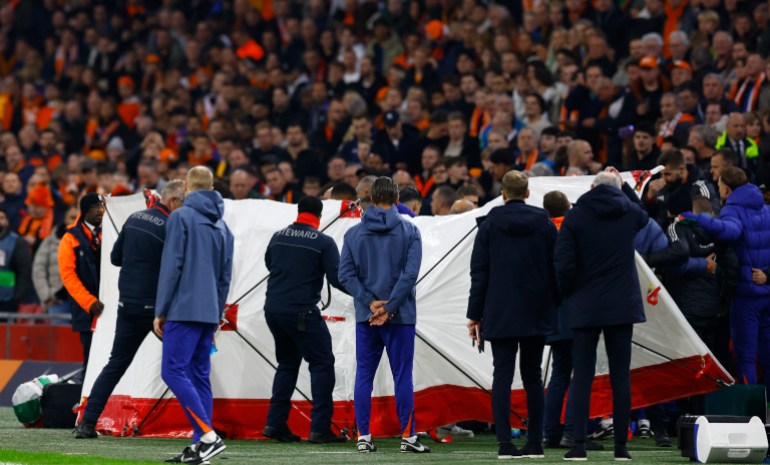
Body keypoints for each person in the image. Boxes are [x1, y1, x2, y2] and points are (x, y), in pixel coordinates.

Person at [74, 180, 185, 440]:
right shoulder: (172, 226)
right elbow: (176, 268)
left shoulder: (134, 218)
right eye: (183, 202)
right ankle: (202, 427)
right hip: (158, 310)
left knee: (115, 364)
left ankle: (87, 423)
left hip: (128, 305)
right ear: (172, 201)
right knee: (185, 364)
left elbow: (115, 258)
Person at [554, 172, 649, 461]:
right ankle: (621, 447)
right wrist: (625, 188)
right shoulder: (628, 212)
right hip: (622, 305)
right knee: (621, 376)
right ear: (618, 190)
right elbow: (644, 215)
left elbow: (564, 263)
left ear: (591, 187)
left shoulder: (576, 216)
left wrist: (569, 294)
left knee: (581, 376)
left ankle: (579, 444)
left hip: (586, 305)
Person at [466, 170, 557, 459]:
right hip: (535, 308)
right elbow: (556, 267)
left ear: (502, 194)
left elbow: (479, 274)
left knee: (502, 375)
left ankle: (505, 442)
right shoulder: (544, 222)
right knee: (533, 375)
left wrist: (475, 315)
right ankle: (535, 442)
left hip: (499, 309)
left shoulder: (489, 224)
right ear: (528, 192)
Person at [338, 176, 430, 454]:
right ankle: (408, 437)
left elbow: (345, 275)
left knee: (363, 375)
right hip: (400, 316)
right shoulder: (410, 231)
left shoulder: (353, 234)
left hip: (367, 316)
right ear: (397, 200)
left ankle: (363, 436)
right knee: (403, 376)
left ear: (370, 198)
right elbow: (410, 275)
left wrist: (370, 304)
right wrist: (389, 308)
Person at [154, 167, 234, 464]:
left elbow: (172, 265)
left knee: (172, 370)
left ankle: (209, 437)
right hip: (209, 311)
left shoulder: (181, 217)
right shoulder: (224, 227)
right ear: (211, 187)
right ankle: (200, 445)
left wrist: (161, 309)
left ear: (186, 187)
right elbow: (225, 277)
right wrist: (216, 312)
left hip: (183, 308)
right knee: (200, 376)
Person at [262, 196, 348, 444]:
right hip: (301, 312)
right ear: (319, 217)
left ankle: (275, 424)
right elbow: (337, 278)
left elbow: (270, 264)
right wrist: (366, 295)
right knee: (322, 363)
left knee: (287, 363)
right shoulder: (323, 242)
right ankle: (320, 428)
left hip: (273, 310)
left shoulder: (278, 236)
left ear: (298, 211)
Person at [681, 167, 770, 394]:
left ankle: (754, 414)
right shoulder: (766, 209)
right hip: (766, 291)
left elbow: (728, 231)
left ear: (727, 189)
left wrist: (699, 219)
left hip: (746, 297)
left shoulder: (733, 210)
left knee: (746, 357)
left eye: (719, 185)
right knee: (768, 354)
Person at [58, 193, 105, 376]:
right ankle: (86, 400)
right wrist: (89, 302)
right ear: (85, 210)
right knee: (91, 357)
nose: (100, 210)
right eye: (95, 207)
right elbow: (68, 276)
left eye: (101, 206)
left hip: (109, 306)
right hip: (87, 311)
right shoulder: (70, 238)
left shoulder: (109, 232)